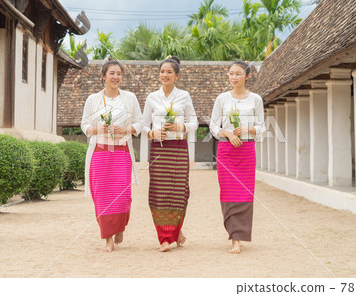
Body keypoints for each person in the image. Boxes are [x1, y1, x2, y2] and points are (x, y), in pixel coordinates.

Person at [81, 58, 143, 252]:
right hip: (100, 153)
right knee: (102, 196)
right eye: (112, 73)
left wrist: (125, 129)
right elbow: (84, 125)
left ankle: (120, 227)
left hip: (121, 153)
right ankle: (107, 238)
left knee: (123, 196)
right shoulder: (93, 99)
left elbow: (140, 123)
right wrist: (97, 129)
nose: (116, 77)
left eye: (119, 74)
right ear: (103, 76)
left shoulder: (130, 98)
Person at [142, 56, 198, 252]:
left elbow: (195, 123)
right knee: (159, 193)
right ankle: (166, 238)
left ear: (177, 76)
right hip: (159, 149)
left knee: (180, 192)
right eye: (162, 71)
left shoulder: (184, 96)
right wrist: (152, 133)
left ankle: (176, 229)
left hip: (179, 149)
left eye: (169, 72)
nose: (164, 75)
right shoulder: (152, 97)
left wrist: (180, 126)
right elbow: (142, 124)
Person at [209, 60, 265, 254]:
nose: (234, 77)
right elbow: (213, 126)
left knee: (244, 193)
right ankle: (234, 238)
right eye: (231, 73)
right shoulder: (222, 99)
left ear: (247, 76)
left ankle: (239, 237)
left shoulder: (256, 99)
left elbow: (262, 127)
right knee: (228, 192)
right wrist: (229, 134)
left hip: (246, 151)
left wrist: (249, 129)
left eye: (238, 74)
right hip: (226, 150)